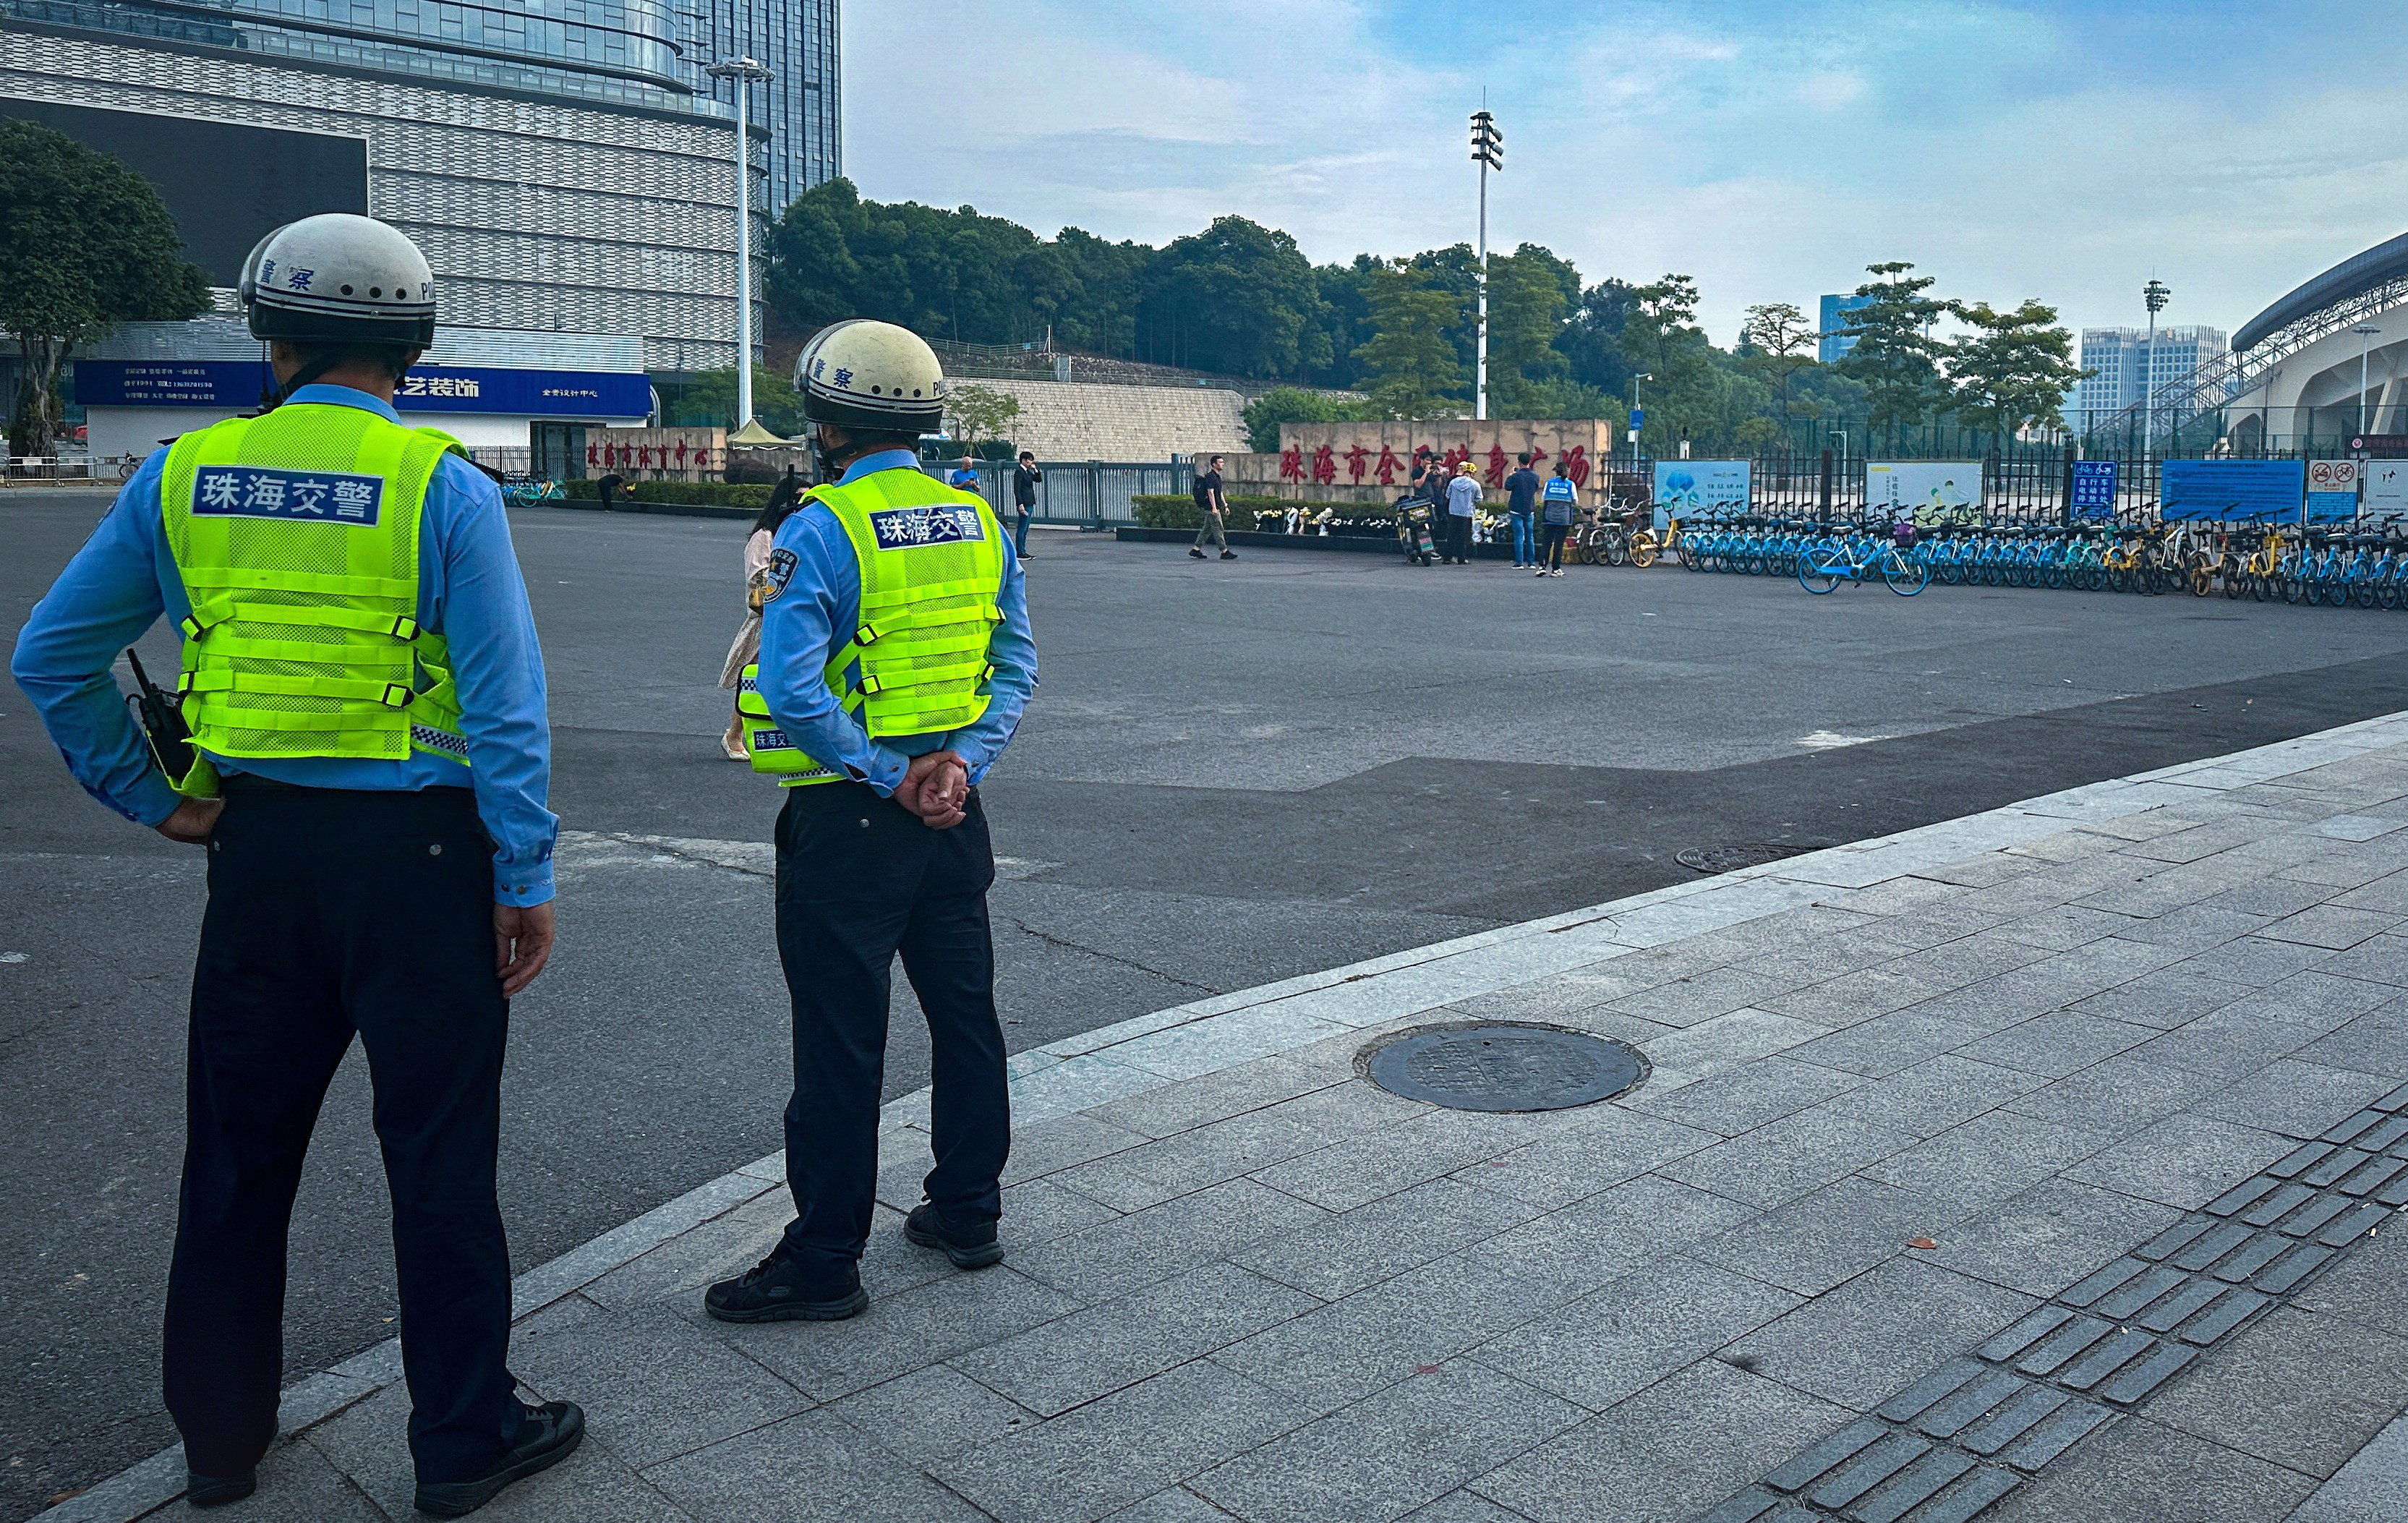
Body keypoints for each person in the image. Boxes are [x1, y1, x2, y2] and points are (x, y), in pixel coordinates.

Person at [8, 213, 578, 1516]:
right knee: (438, 1156)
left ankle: (218, 1441)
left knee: (237, 1156)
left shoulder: (179, 476)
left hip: (258, 855)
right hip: (424, 864)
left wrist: (154, 797)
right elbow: (504, 712)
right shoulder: (448, 489)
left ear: (270, 338)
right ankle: (460, 1442)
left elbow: (51, 656)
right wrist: (525, 877)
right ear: (413, 349)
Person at [710, 319, 1037, 1323]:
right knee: (966, 1018)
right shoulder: (980, 523)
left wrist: (888, 773)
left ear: (824, 423)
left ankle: (823, 1260)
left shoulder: (823, 527)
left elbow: (791, 689)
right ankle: (967, 1208)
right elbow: (1014, 669)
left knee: (842, 1041)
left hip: (850, 821)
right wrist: (955, 770)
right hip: (955, 816)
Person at [720, 464, 805, 759]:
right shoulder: (765, 537)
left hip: (792, 615)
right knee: (754, 678)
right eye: (798, 500)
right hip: (767, 618)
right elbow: (756, 579)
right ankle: (735, 735)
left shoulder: (799, 534)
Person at [1190, 453, 1235, 560]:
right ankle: (1224, 551)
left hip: (1215, 508)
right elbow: (1210, 492)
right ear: (1214, 464)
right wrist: (1214, 508)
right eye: (1220, 462)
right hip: (1212, 509)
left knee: (1206, 530)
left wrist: (1225, 505)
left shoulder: (1217, 477)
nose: (1223, 464)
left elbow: (1219, 493)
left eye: (1223, 462)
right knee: (1219, 529)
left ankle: (1196, 549)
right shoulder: (1210, 477)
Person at [1539, 459, 1579, 576]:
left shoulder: (1549, 483)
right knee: (1559, 544)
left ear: (1555, 472)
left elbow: (1543, 499)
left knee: (1547, 542)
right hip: (1564, 519)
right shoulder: (1570, 485)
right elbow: (1575, 501)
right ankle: (1556, 569)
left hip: (1549, 517)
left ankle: (1542, 566)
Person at [1505, 452, 1542, 569]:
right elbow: (1535, 488)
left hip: (1516, 509)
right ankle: (1531, 563)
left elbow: (1507, 487)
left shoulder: (1516, 476)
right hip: (1529, 509)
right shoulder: (1535, 476)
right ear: (1529, 462)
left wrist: (1511, 475)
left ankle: (1519, 563)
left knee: (1519, 536)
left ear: (1519, 462)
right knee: (1530, 537)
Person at [1446, 456, 1480, 563]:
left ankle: (1447, 558)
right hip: (1466, 513)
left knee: (1451, 536)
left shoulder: (1453, 482)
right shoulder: (1475, 484)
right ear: (1473, 473)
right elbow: (1479, 498)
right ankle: (1461, 558)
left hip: (1453, 512)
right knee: (1463, 537)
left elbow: (1447, 495)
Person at [1011, 448, 1041, 558]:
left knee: (1026, 528)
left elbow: (1038, 479)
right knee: (1022, 528)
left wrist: (1035, 469)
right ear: (1023, 460)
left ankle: (1023, 550)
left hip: (1030, 502)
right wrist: (1020, 504)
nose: (1030, 464)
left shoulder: (1027, 472)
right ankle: (1020, 552)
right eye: (1029, 461)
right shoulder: (1019, 472)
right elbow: (1017, 489)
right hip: (1024, 502)